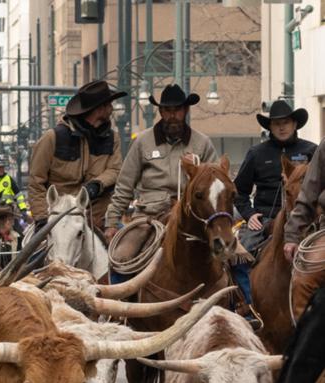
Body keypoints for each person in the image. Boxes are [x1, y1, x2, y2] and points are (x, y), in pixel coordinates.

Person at [104, 84, 218, 240]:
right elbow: (125, 184)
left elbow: (216, 185)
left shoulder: (202, 143)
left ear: (185, 110)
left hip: (190, 218)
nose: (172, 115)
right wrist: (112, 221)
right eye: (167, 111)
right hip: (148, 218)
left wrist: (198, 170)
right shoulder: (142, 141)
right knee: (123, 256)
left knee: (224, 255)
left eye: (177, 110)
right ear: (161, 112)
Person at [29, 80, 125, 230]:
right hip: (58, 221)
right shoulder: (52, 138)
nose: (112, 109)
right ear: (99, 109)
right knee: (34, 252)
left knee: (127, 251)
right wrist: (42, 219)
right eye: (109, 104)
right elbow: (36, 182)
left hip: (99, 220)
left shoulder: (113, 139)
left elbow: (116, 170)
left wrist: (97, 184)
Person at [236, 100, 318, 256]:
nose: (281, 127)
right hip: (266, 219)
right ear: (270, 127)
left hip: (306, 218)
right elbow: (239, 191)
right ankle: (243, 281)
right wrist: (250, 214)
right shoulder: (256, 153)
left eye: (286, 122)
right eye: (276, 123)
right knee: (241, 255)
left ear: (294, 124)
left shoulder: (312, 150)